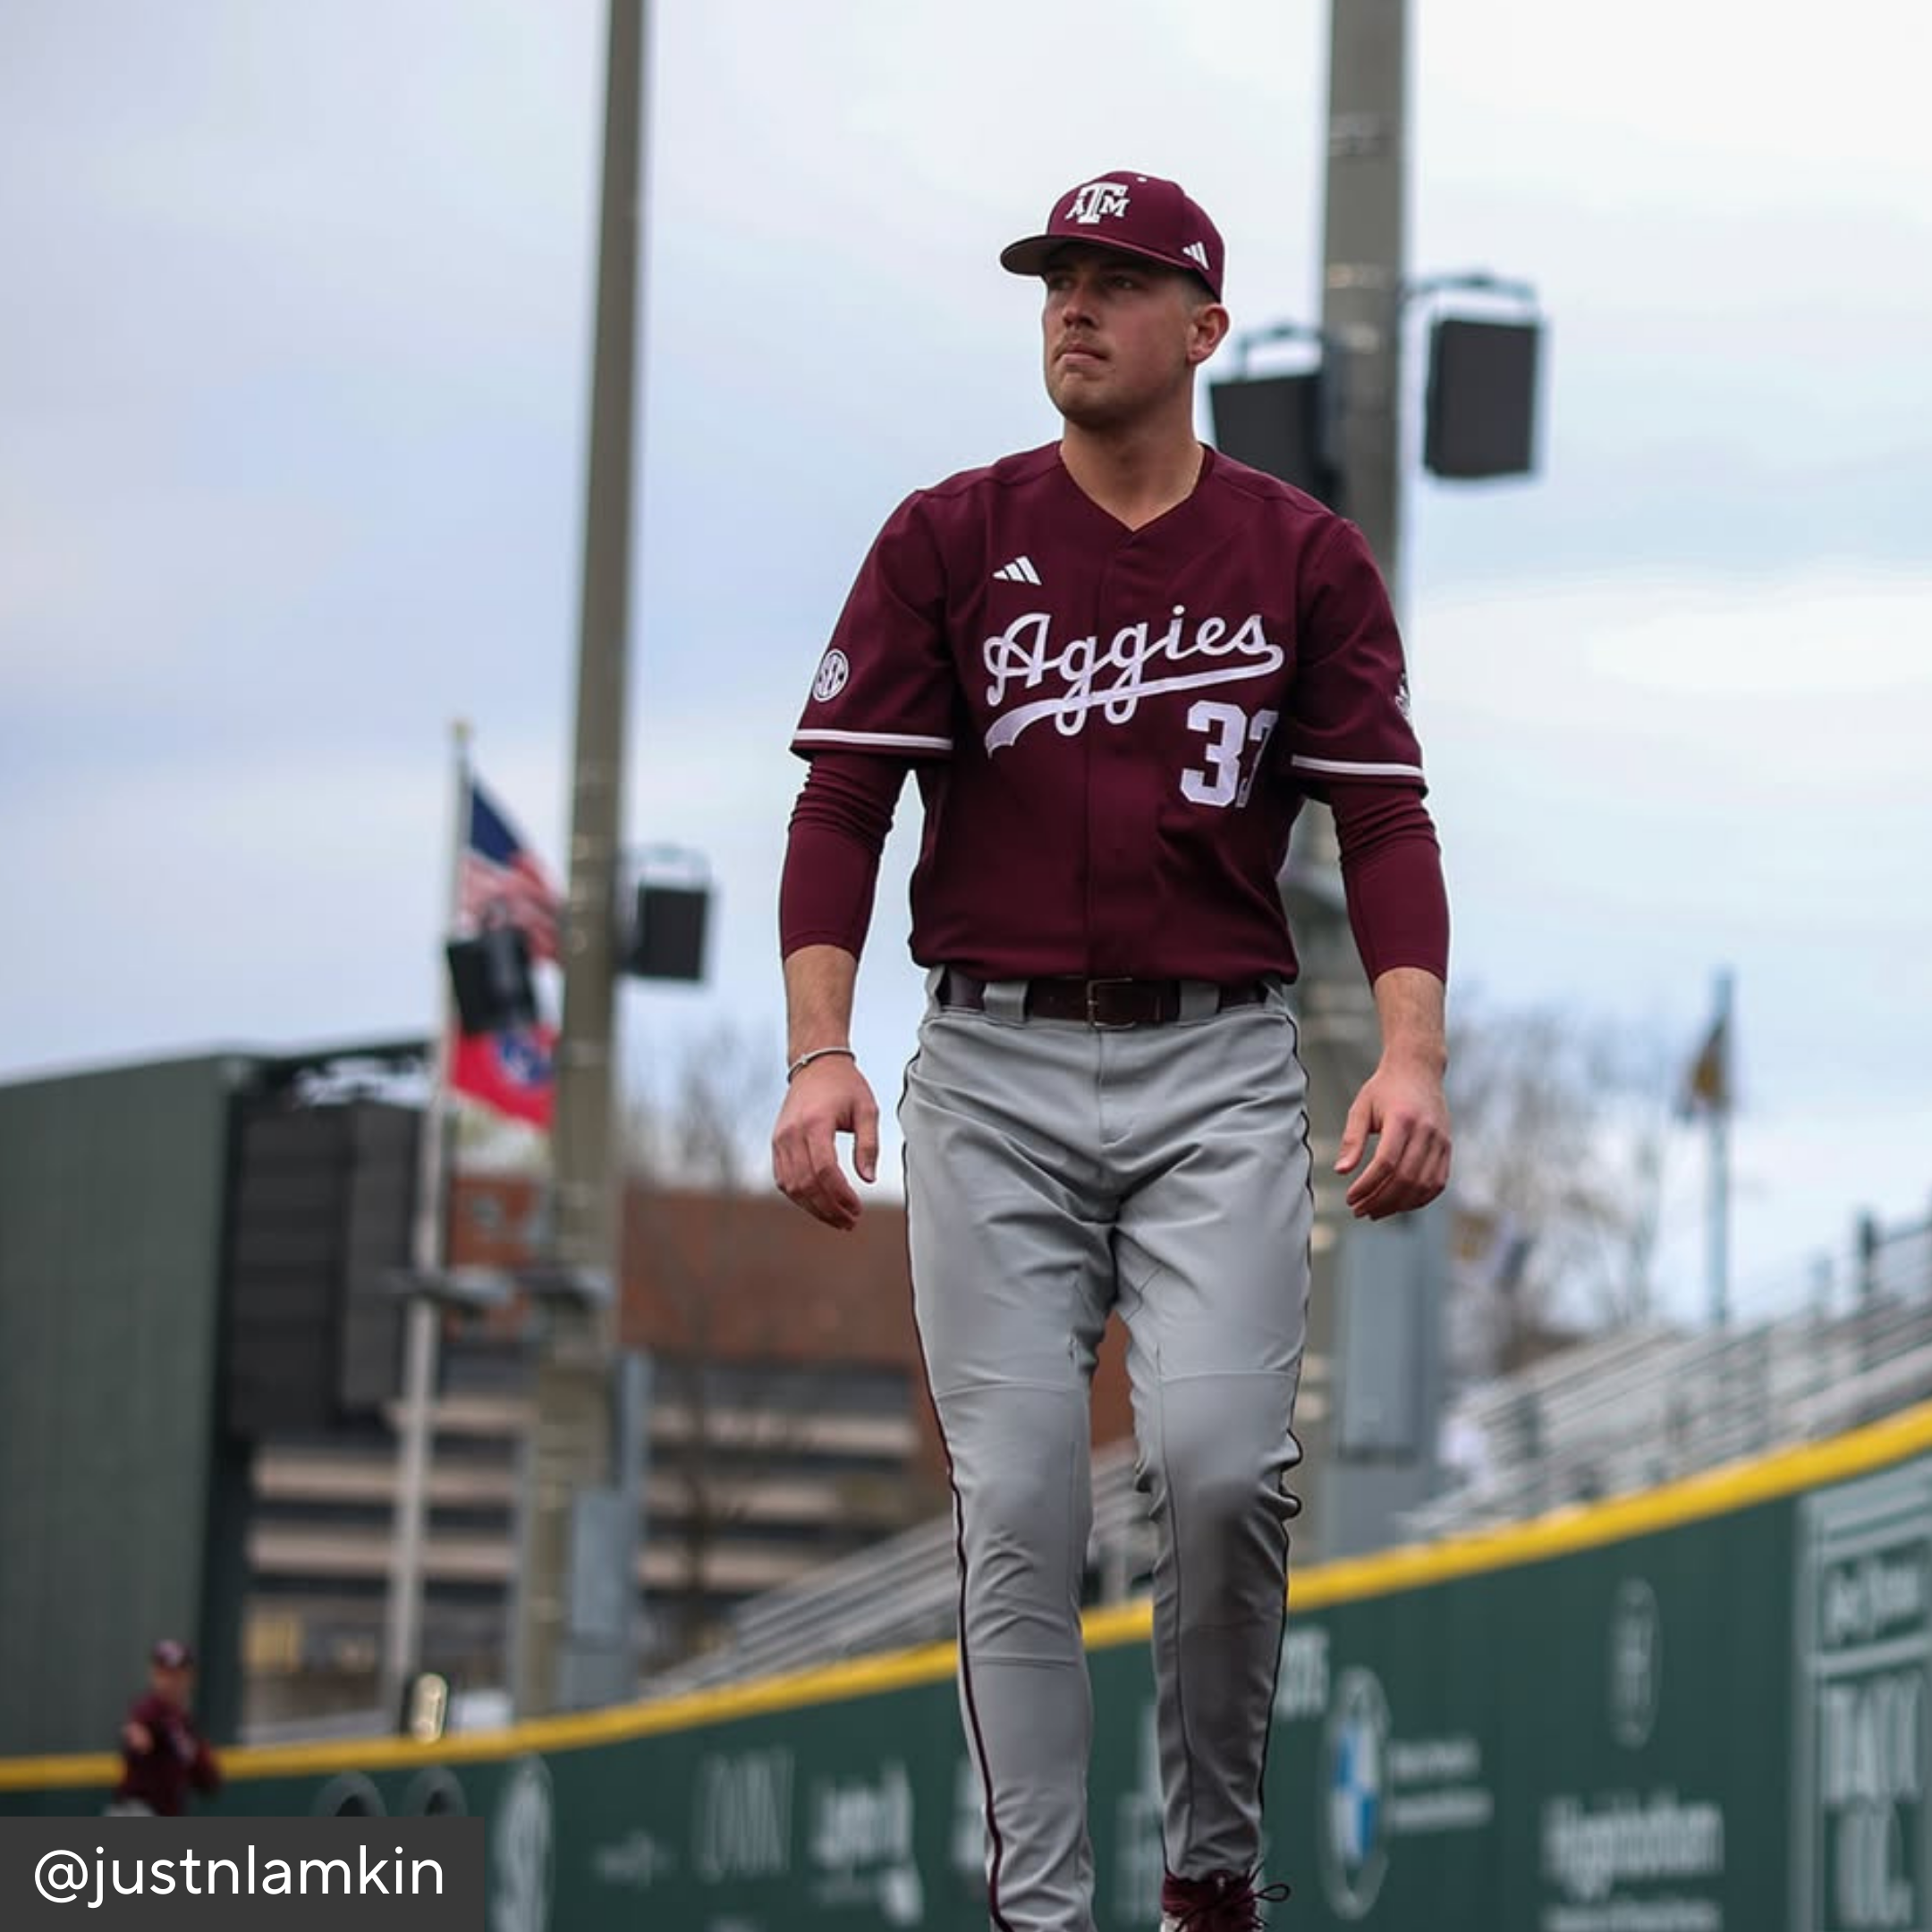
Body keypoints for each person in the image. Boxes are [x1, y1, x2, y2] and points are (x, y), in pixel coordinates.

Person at [771, 170, 1451, 1932]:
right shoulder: (949, 534)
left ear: (1205, 329)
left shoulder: (1299, 556)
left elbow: (1384, 826)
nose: (1075, 306)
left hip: (1215, 1066)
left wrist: (1409, 1056)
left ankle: (1211, 1877)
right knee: (1016, 1507)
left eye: (1119, 281)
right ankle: (1044, 1913)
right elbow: (845, 796)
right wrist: (817, 1052)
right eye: (1057, 279)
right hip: (989, 1074)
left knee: (1225, 1474)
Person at [110, 1638, 222, 1817]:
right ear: (154, 1674)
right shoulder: (149, 1709)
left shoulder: (184, 1723)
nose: (172, 1682)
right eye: (165, 1674)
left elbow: (208, 1779)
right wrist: (136, 1736)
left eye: (178, 1674)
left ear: (189, 1677)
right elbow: (136, 1733)